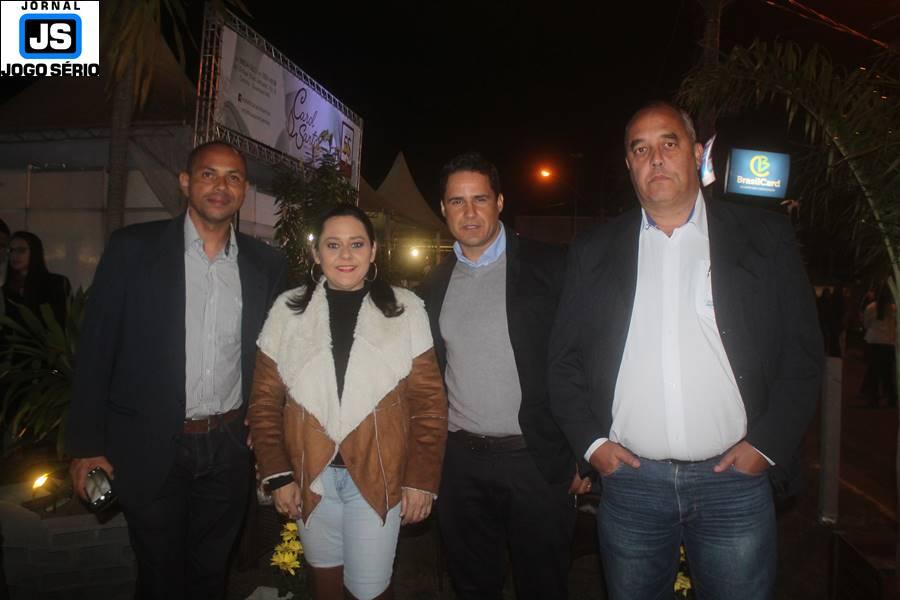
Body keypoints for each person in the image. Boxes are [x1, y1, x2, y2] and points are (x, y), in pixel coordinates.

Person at [548, 102, 823, 600]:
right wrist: (593, 446)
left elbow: (802, 355)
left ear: (697, 154)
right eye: (640, 149)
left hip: (734, 483)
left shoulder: (763, 237)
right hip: (631, 485)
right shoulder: (594, 251)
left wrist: (765, 448)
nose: (655, 158)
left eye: (669, 143)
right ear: (628, 164)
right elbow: (564, 361)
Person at [67, 141, 287, 599]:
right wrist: (86, 446)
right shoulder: (133, 249)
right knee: (160, 576)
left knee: (211, 574)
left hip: (227, 447)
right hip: (151, 446)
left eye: (233, 177)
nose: (221, 186)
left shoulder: (266, 264)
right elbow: (96, 350)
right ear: (185, 182)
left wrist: (267, 426)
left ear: (244, 190)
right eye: (209, 174)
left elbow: (275, 355)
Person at [248, 204, 447, 600]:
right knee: (325, 587)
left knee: (369, 592)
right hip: (310, 476)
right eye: (333, 244)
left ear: (373, 251)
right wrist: (279, 475)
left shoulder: (406, 309)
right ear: (315, 252)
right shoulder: (287, 310)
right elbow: (263, 404)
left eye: (356, 244)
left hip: (378, 476)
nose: (345, 255)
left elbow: (429, 405)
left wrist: (421, 480)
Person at [419, 152, 588, 599]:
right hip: (461, 463)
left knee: (543, 585)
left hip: (536, 460)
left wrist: (584, 450)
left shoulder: (551, 265)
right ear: (443, 209)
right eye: (457, 202)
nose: (469, 212)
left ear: (499, 202)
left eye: (479, 199)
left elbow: (585, 357)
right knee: (472, 585)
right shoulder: (436, 282)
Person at [3, 230, 71, 326]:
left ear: (34, 252)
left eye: (21, 250)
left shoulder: (57, 283)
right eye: (11, 250)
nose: (14, 255)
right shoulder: (5, 291)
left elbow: (64, 322)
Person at [861, 285, 897, 407]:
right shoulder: (893, 308)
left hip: (874, 341)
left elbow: (866, 323)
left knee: (874, 372)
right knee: (888, 372)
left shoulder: (871, 307)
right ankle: (892, 398)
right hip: (889, 342)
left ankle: (873, 398)